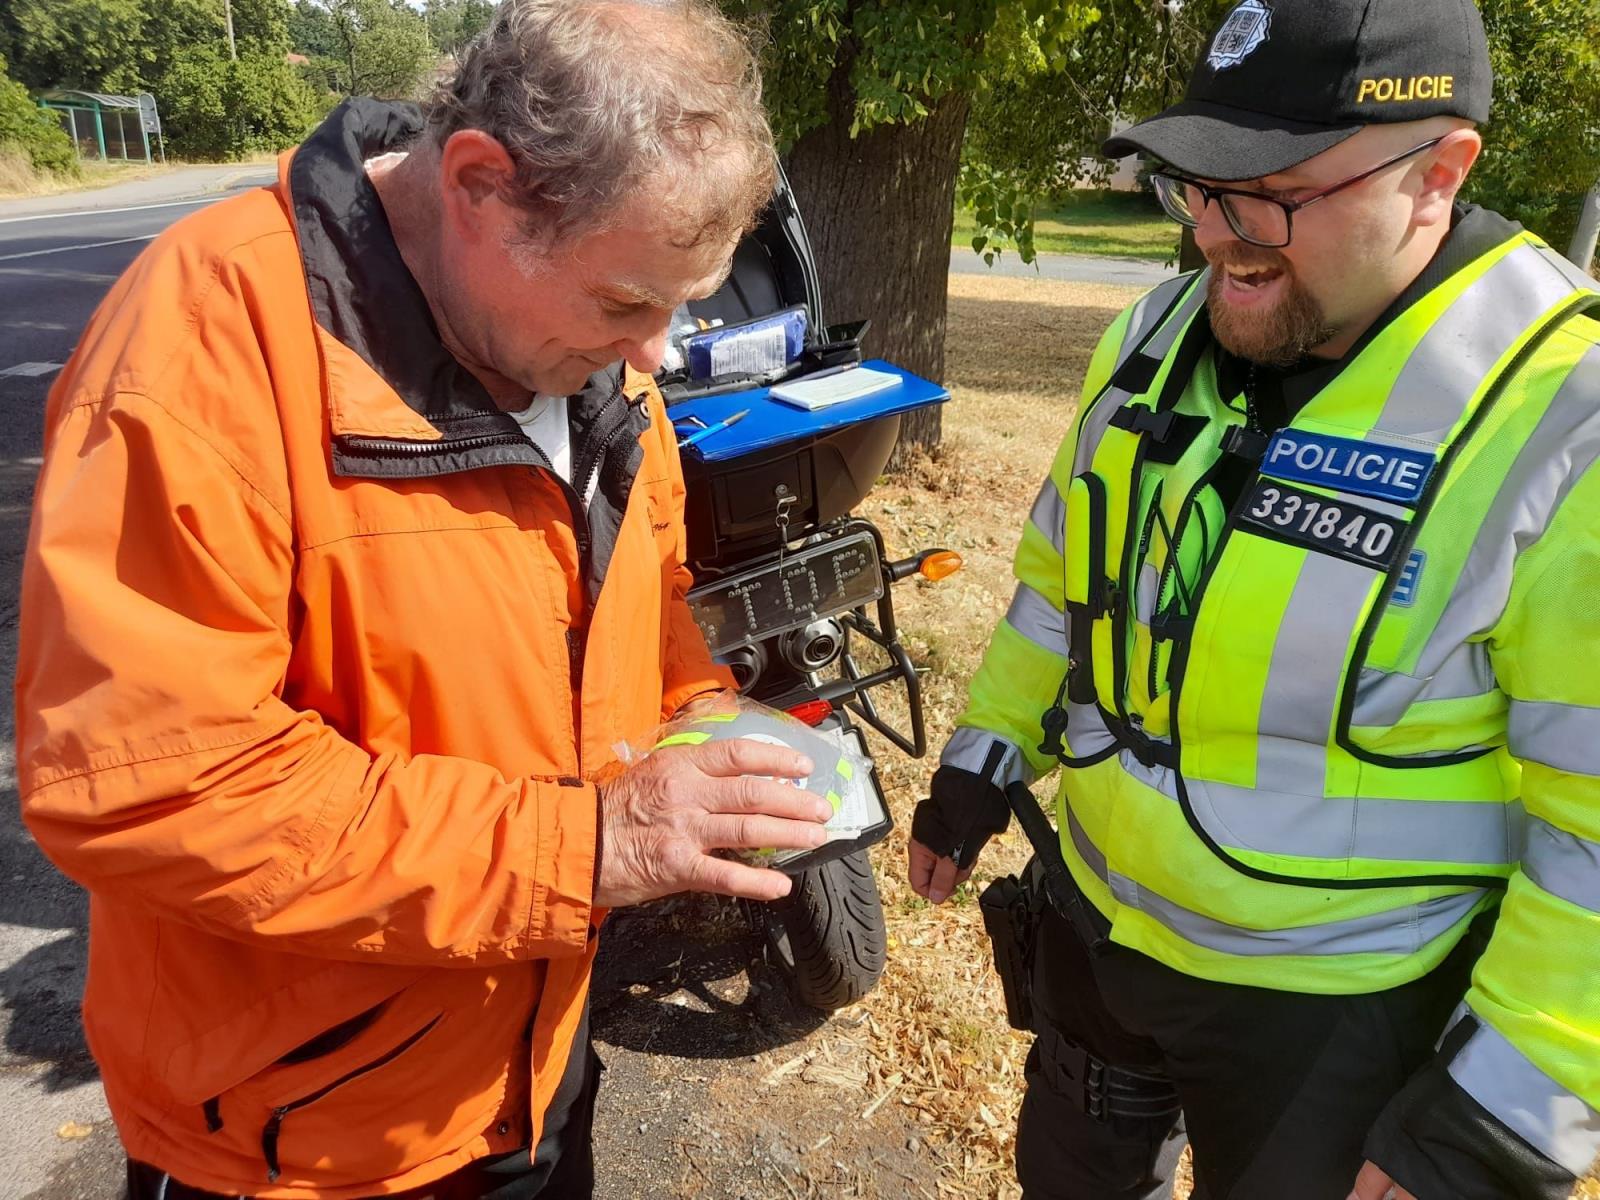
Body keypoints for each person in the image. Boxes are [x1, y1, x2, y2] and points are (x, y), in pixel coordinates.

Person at [14, 2, 835, 1196]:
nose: (656, 355)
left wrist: (713, 726)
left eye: (679, 303)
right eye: (624, 301)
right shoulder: (204, 344)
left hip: (535, 1071)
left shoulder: (598, 365)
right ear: (479, 181)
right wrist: (583, 846)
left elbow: (640, 609)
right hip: (313, 1135)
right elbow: (142, 778)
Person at [909, 0, 1600, 1197]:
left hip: (1328, 1008)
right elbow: (1057, 581)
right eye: (1199, 185)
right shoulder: (1148, 333)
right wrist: (984, 753)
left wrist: (1507, 1104)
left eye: (1271, 191)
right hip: (1098, 926)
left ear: (1438, 171)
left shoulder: (1563, 421)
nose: (1221, 238)